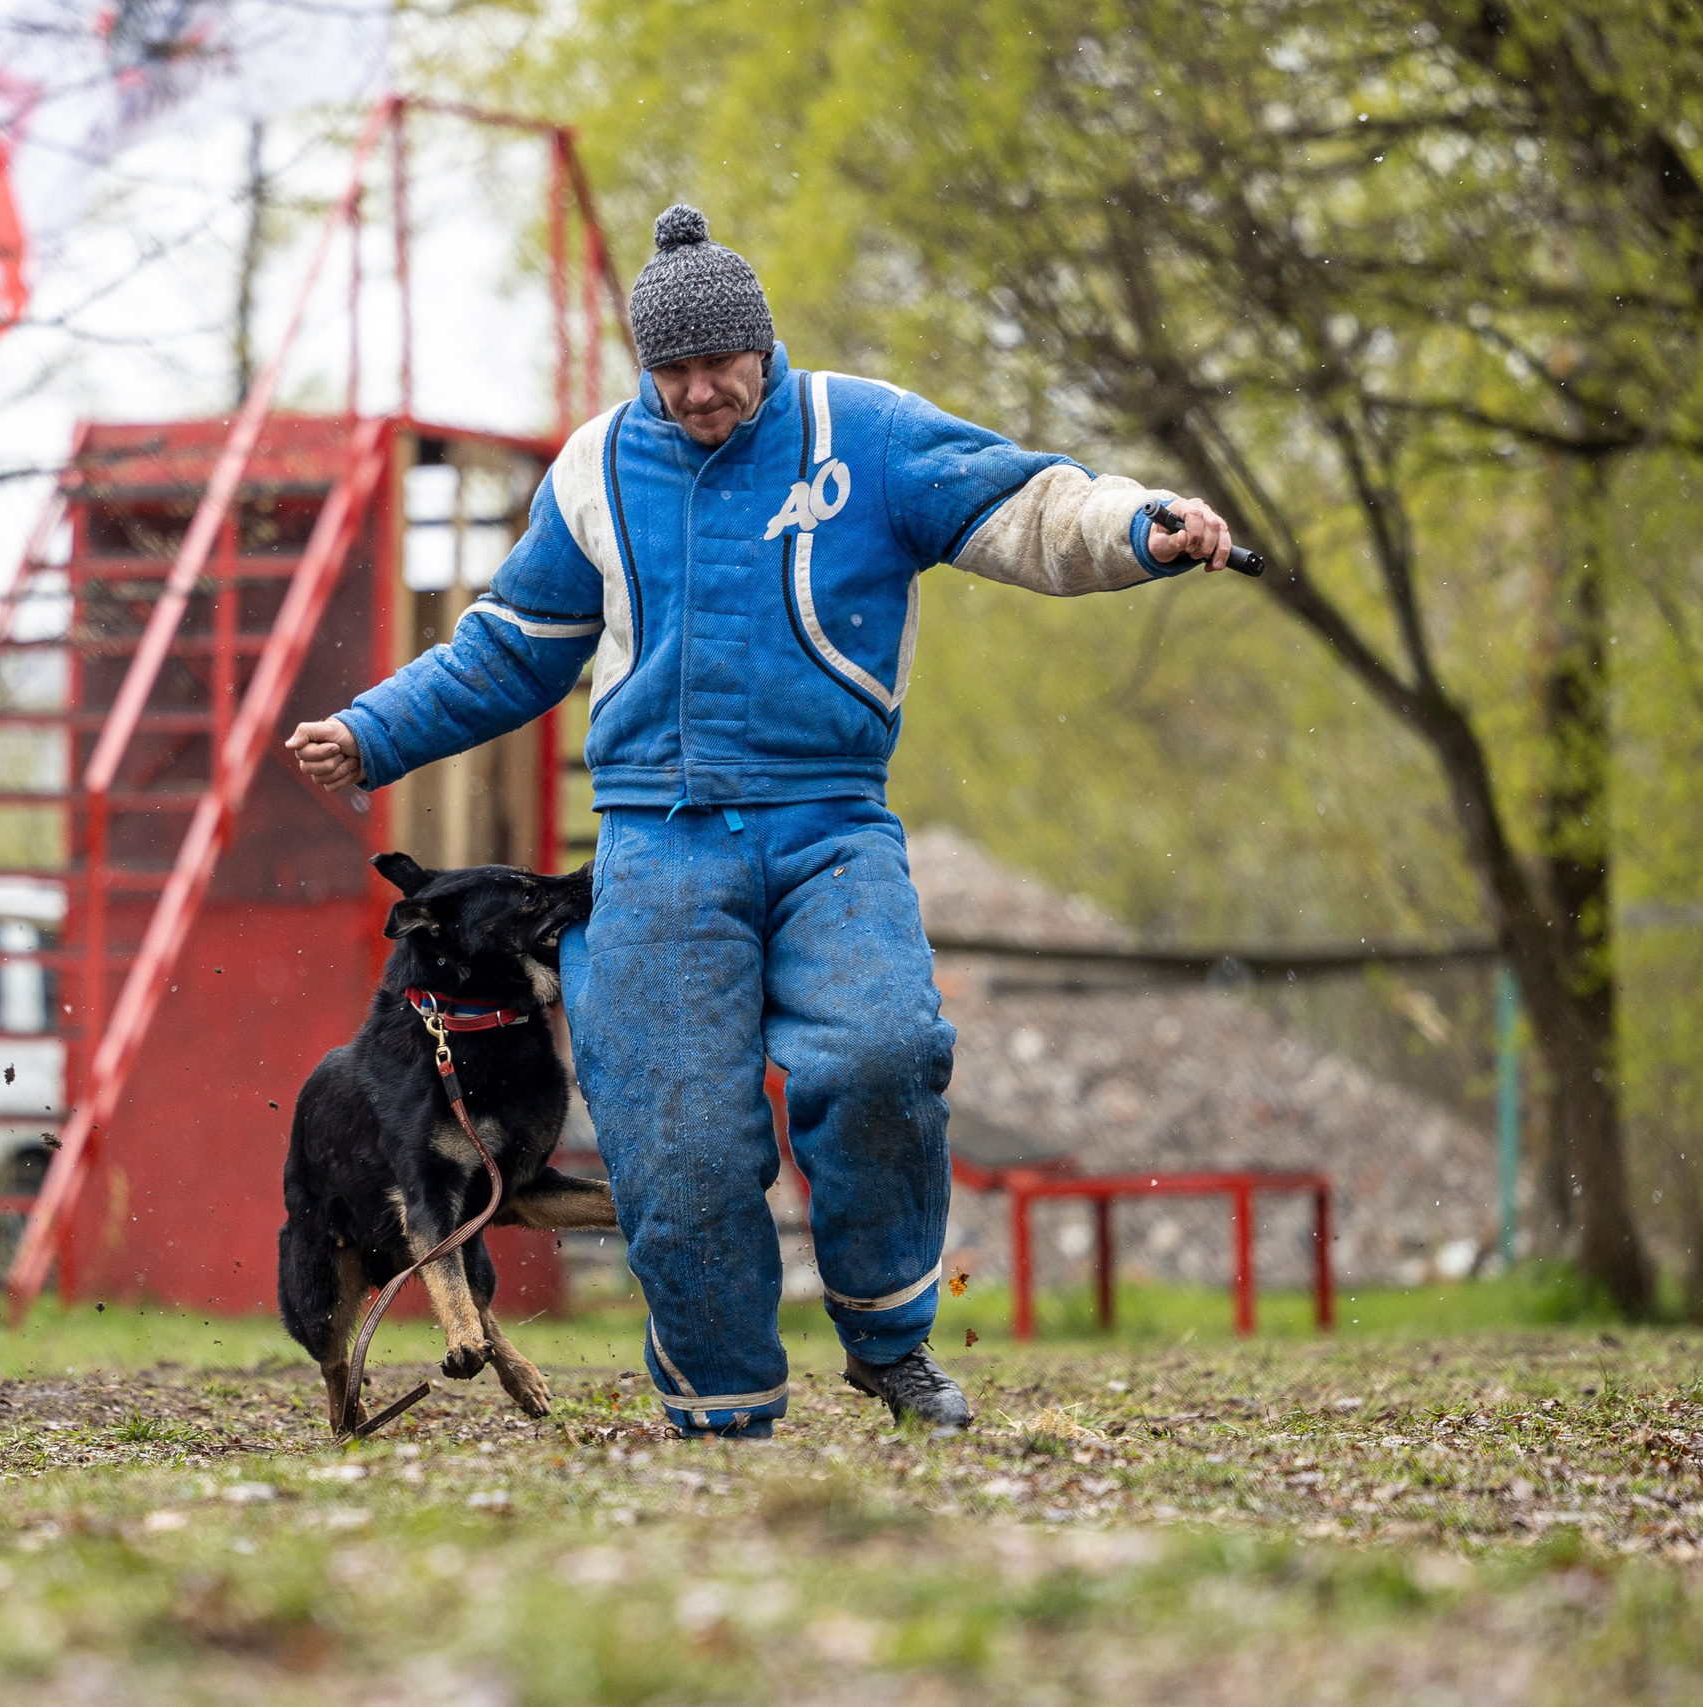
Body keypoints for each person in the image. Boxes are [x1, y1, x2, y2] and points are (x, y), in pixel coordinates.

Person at [288, 204, 1235, 1436]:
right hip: (657, 841)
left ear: (763, 343)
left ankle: (888, 1342)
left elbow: (1026, 507)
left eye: (717, 364)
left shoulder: (865, 433)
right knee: (676, 1143)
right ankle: (723, 1409)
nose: (696, 392)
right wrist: (372, 731)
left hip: (829, 825)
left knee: (881, 1055)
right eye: (670, 370)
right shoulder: (594, 469)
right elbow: (510, 648)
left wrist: (1136, 527)